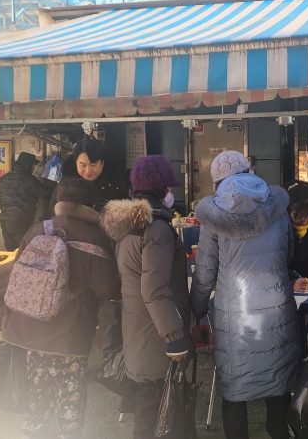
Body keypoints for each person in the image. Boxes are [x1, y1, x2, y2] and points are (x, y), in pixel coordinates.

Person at [190, 151, 298, 439]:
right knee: (277, 379)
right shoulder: (276, 206)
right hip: (275, 307)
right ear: (249, 171)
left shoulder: (213, 215)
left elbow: (205, 271)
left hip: (235, 312)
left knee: (235, 385)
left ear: (217, 181)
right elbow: (288, 255)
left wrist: (197, 307)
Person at [2, 178, 121, 439]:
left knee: (37, 396)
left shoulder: (37, 230)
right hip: (69, 335)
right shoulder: (94, 237)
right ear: (91, 206)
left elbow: (16, 276)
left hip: (29, 331)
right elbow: (108, 288)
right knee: (70, 400)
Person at [100, 155, 191, 439]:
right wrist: (175, 336)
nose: (171, 193)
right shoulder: (157, 228)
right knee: (153, 408)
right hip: (155, 331)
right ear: (162, 190)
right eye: (169, 188)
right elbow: (154, 290)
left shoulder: (127, 226)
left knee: (146, 404)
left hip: (137, 323)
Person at [50, 139, 127, 361]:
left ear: (102, 163)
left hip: (107, 258)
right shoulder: (64, 186)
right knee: (77, 312)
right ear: (75, 162)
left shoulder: (116, 186)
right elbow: (51, 219)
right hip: (73, 261)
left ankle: (111, 362)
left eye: (93, 165)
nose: (87, 170)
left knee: (113, 311)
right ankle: (74, 359)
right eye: (82, 164)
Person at [0, 152, 50, 251]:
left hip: (5, 220)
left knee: (11, 251)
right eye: (33, 165)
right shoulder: (28, 179)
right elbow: (46, 193)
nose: (33, 168)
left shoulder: (3, 179)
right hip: (22, 220)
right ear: (28, 165)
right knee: (24, 250)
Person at [284, 180, 308, 292]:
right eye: (300, 215)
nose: (305, 220)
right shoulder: (278, 228)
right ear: (289, 209)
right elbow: (273, 264)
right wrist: (292, 281)